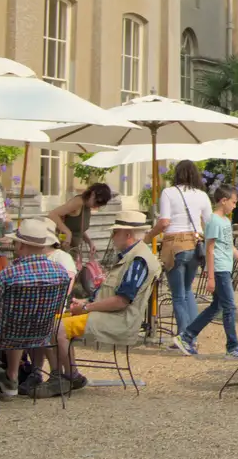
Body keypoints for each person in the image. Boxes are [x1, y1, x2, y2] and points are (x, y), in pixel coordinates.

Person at [0, 220, 73, 399]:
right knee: (16, 320)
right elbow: (57, 307)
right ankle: (12, 376)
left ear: (22, 245)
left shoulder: (9, 274)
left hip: (5, 335)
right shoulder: (60, 273)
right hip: (42, 335)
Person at [53, 209, 161, 386]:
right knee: (51, 322)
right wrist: (85, 302)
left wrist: (86, 308)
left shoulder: (138, 260)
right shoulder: (132, 255)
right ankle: (62, 374)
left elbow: (122, 301)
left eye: (115, 232)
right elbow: (111, 293)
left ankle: (67, 377)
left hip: (119, 320)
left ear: (127, 234)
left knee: (59, 329)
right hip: (110, 314)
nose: (112, 236)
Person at [175, 185, 238, 359]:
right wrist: (210, 277)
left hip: (225, 268)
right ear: (223, 200)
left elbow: (230, 247)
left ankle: (187, 336)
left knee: (217, 306)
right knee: (229, 307)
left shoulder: (226, 221)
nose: (235, 206)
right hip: (219, 270)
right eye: (233, 202)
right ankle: (232, 346)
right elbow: (209, 249)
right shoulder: (213, 221)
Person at [154, 159, 212, 340]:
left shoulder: (169, 192)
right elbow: (209, 222)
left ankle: (184, 337)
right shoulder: (202, 195)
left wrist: (150, 235)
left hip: (174, 244)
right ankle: (193, 333)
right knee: (188, 291)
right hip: (195, 244)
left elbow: (164, 222)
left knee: (178, 295)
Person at [46, 182, 114, 262]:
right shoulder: (78, 202)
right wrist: (67, 232)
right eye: (97, 202)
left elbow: (77, 228)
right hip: (63, 248)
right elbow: (52, 214)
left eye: (100, 205)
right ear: (92, 194)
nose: (97, 206)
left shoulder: (87, 206)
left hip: (73, 249)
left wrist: (89, 242)